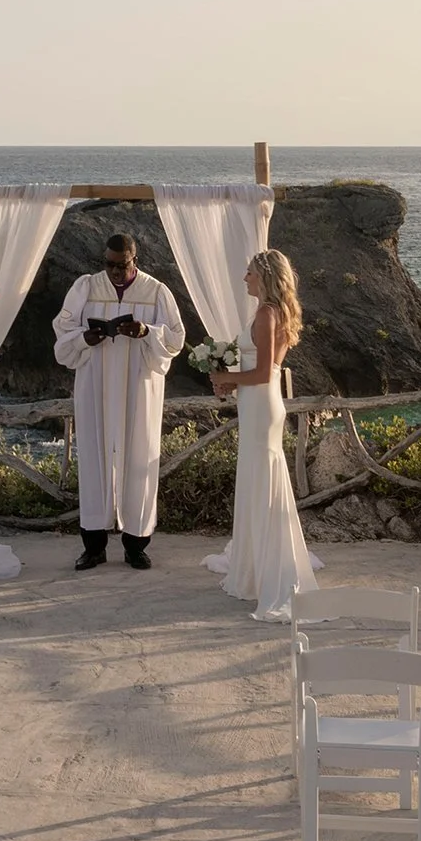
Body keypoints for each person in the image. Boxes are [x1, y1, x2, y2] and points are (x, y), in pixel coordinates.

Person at [51, 232, 186, 571]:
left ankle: (136, 544)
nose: (113, 271)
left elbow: (176, 337)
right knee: (94, 458)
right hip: (95, 381)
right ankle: (93, 545)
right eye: (108, 264)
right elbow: (62, 329)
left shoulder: (156, 291)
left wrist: (146, 333)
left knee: (139, 457)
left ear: (134, 260)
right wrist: (85, 337)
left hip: (139, 384)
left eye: (120, 265)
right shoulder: (85, 287)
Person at [202, 249, 322, 621]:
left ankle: (269, 571)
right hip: (255, 403)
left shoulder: (268, 314)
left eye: (249, 272)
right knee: (257, 479)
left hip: (262, 403)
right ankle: (256, 566)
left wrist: (227, 378)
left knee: (261, 477)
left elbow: (264, 373)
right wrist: (232, 386)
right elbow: (255, 373)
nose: (244, 277)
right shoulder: (271, 312)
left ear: (265, 276)